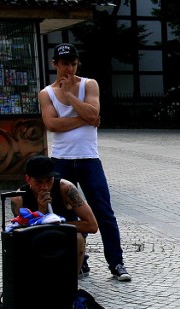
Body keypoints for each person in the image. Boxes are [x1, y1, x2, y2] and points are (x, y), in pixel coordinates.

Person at [39, 42, 131, 281]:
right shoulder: (46, 93)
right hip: (61, 161)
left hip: (89, 159)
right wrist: (85, 118)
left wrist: (70, 95)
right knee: (64, 214)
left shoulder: (89, 84)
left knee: (104, 211)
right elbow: (52, 125)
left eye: (73, 62)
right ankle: (78, 260)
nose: (69, 68)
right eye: (64, 63)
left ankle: (117, 263)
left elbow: (94, 114)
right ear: (55, 65)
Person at [11, 155, 98, 276]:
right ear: (28, 179)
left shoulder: (65, 188)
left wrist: (57, 226)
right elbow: (22, 233)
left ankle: (72, 281)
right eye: (38, 182)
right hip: (36, 240)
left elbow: (92, 226)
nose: (45, 187)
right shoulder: (19, 198)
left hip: (65, 235)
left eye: (48, 180)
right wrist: (41, 212)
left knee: (78, 238)